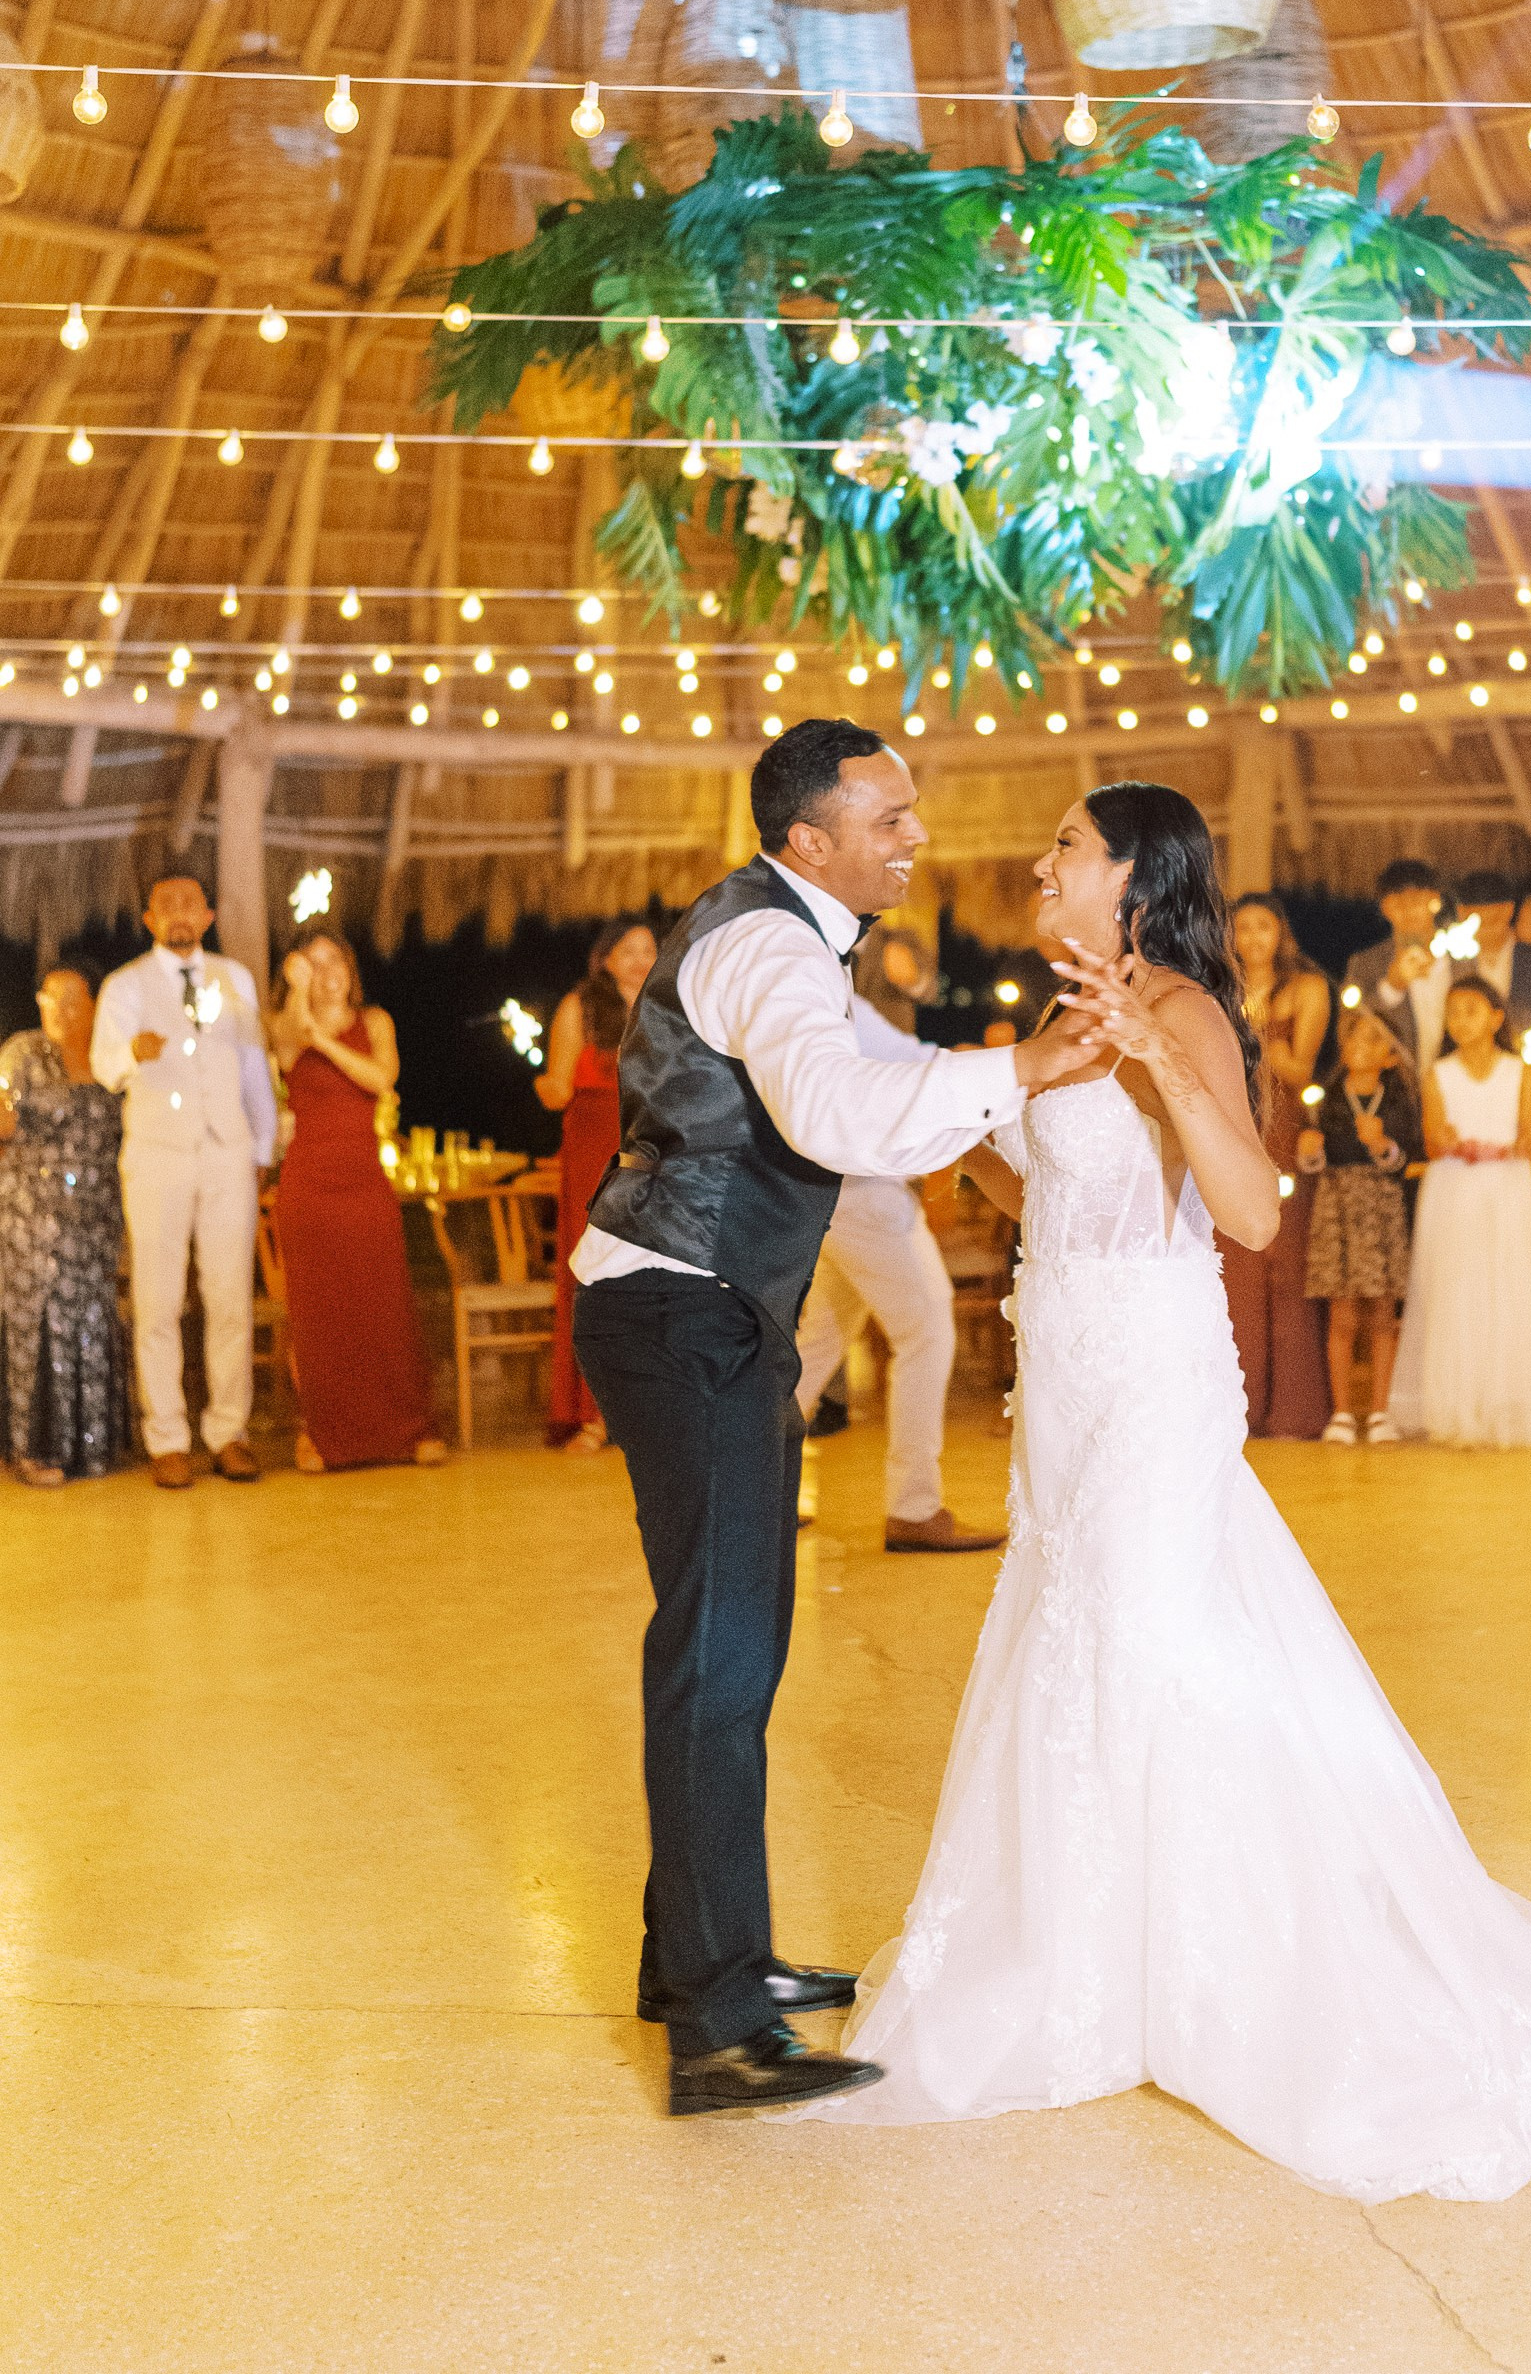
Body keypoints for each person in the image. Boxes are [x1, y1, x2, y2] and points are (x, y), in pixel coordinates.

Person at [824, 783, 1531, 2200]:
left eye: (1067, 847)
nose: (1040, 863)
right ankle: (1096, 1966)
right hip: (1066, 1382)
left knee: (1152, 1642)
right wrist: (985, 1130)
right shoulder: (1058, 1015)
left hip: (1154, 1382)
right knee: (1075, 1646)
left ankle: (1235, 1966)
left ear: (1134, 880)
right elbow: (1052, 1193)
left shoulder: (1181, 1013)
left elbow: (1247, 1209)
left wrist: (1155, 1066)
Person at [568, 718, 1099, 2118]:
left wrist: (1027, 1121)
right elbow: (835, 1114)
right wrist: (1026, 1067)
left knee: (732, 1647)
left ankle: (697, 1959)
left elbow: (896, 1101)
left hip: (701, 1310)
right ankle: (717, 2030)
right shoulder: (765, 946)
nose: (916, 837)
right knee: (719, 1658)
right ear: (810, 839)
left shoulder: (803, 941)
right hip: (683, 1312)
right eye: (889, 818)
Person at [794, 960, 1004, 1553]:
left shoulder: (811, 994)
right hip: (865, 1189)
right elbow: (913, 1063)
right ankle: (914, 1507)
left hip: (833, 1189)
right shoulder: (829, 995)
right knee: (927, 1331)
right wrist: (1002, 1068)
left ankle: (745, 1494)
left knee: (818, 1342)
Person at [91, 876, 276, 1490]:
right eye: (166, 905)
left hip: (227, 1151)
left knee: (229, 1297)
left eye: (189, 904)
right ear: (148, 919)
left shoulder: (235, 977)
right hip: (157, 1155)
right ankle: (167, 1437)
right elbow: (103, 1062)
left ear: (208, 915)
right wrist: (132, 1054)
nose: (178, 914)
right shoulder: (125, 985)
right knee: (158, 1299)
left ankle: (229, 1433)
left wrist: (263, 1143)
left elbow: (253, 1065)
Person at [269, 929, 447, 1473]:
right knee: (318, 1313)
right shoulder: (283, 1023)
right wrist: (298, 997)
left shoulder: (375, 1022)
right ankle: (321, 1433)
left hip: (363, 1177)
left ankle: (409, 1429)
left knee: (383, 1303)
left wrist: (325, 1043)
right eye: (312, 963)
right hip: (308, 1181)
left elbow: (381, 1078)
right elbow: (289, 1046)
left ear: (350, 969)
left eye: (335, 961)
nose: (326, 973)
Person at [1387, 977, 1531, 1449]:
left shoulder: (1521, 1072)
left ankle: (1511, 1404)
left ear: (1496, 1018)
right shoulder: (1438, 1074)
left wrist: (1520, 1144)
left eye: (1471, 1010)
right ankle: (1457, 1405)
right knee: (1457, 1291)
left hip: (1509, 1190)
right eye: (1453, 1012)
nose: (1460, 1021)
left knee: (1512, 1290)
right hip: (1455, 1190)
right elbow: (1433, 1138)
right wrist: (1451, 1141)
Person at [0, 968, 128, 1486]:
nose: (60, 1009)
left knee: (91, 1320)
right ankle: (33, 1447)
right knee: (41, 1320)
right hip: (33, 1216)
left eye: (73, 998)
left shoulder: (110, 1056)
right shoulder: (23, 1052)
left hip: (96, 1217)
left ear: (95, 1004)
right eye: (50, 998)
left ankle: (90, 1443)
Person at [536, 915, 658, 1453]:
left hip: (655, 1156)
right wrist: (547, 1086)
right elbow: (559, 1088)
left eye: (649, 949)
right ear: (605, 959)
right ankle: (595, 1413)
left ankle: (651, 1408)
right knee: (599, 1276)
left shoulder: (670, 1007)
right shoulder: (580, 1008)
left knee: (654, 1278)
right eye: (628, 950)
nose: (641, 960)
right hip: (594, 1154)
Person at [1222, 893, 1331, 1438]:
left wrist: (1247, 1033)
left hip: (1285, 1130)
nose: (1253, 938)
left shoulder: (1307, 989)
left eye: (1263, 926)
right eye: (1243, 928)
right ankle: (1236, 1407)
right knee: (1235, 1261)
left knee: (1287, 1262)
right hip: (1233, 1127)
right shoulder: (1218, 987)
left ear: (1281, 932)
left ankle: (1294, 1408)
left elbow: (1299, 1068)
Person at [1299, 1003, 1420, 1446]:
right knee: (1343, 1312)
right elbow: (1315, 1161)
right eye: (1352, 1036)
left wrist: (1383, 1144)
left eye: (1372, 1039)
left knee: (1382, 1313)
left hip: (1382, 1207)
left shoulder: (1399, 1100)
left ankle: (1380, 1411)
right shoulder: (1328, 1097)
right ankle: (1343, 1412)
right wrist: (1310, 1151)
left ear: (1390, 1056)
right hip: (1338, 1206)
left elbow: (1406, 1158)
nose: (1358, 1046)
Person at [1340, 857, 1453, 1074]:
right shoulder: (1366, 963)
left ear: (1435, 900)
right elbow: (1349, 1027)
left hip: (1459, 1080)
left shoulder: (1462, 955)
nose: (1408, 910)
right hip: (1398, 1082)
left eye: (1416, 899)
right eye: (1398, 902)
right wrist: (1392, 986)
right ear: (1384, 907)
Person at [1454, 871, 1531, 1041]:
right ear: (1461, 913)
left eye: (1493, 920)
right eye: (1478, 922)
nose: (1486, 929)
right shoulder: (1452, 961)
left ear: (1508, 910)